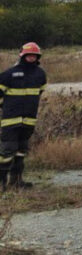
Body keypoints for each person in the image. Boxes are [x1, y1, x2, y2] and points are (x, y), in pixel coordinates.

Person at [0, 42, 47, 190]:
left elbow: (39, 92)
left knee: (21, 151)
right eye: (29, 55)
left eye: (34, 55)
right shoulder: (8, 74)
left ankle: (16, 181)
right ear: (23, 55)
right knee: (8, 151)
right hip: (10, 119)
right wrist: (6, 107)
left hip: (28, 119)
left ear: (38, 57)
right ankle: (1, 183)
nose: (31, 57)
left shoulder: (40, 74)